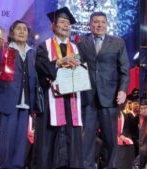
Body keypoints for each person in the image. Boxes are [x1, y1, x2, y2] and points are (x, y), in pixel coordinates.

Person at [77, 11, 129, 169]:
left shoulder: (118, 42)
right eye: (96, 22)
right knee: (86, 138)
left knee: (110, 138)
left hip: (110, 96)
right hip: (87, 96)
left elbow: (124, 69)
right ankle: (86, 166)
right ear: (90, 24)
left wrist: (122, 90)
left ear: (107, 24)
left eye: (102, 22)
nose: (99, 25)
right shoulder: (81, 42)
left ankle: (109, 166)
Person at [33, 7, 83, 169]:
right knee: (49, 135)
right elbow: (41, 66)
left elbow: (81, 73)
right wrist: (59, 62)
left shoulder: (75, 48)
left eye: (68, 23)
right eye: (61, 22)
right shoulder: (44, 46)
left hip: (71, 98)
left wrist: (78, 67)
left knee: (71, 135)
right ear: (52, 26)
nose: (65, 25)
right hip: (51, 100)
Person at [0, 20, 38, 169]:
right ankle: (4, 166)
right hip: (7, 100)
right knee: (7, 138)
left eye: (25, 29)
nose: (22, 31)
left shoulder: (32, 53)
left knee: (20, 140)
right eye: (18, 29)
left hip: (26, 101)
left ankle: (17, 166)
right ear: (12, 32)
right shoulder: (5, 49)